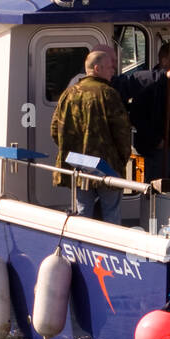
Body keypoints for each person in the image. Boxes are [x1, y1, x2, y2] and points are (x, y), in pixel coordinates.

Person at [50, 48, 132, 224]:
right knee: (111, 213)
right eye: (110, 67)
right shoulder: (108, 94)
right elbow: (123, 132)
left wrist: (70, 152)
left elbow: (55, 129)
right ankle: (111, 248)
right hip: (107, 166)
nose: (113, 71)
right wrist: (121, 160)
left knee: (83, 211)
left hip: (78, 164)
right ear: (97, 68)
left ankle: (81, 245)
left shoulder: (68, 94)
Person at [115, 43, 170, 181]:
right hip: (158, 149)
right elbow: (137, 116)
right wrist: (156, 141)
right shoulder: (149, 83)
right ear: (164, 61)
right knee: (156, 186)